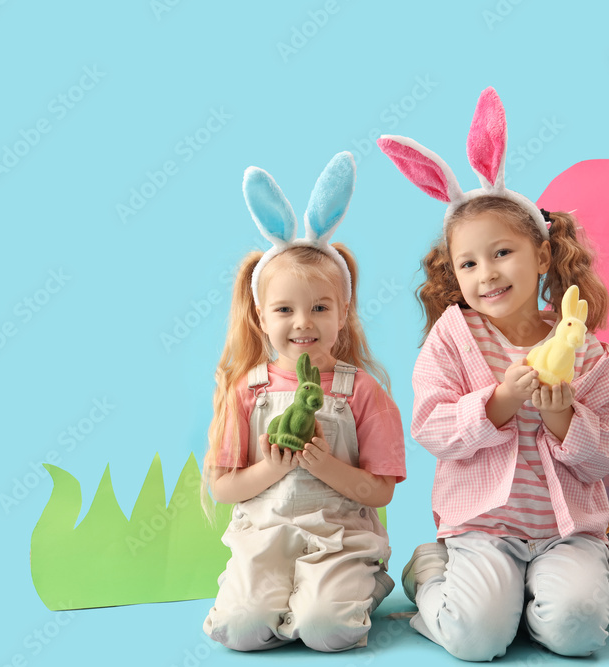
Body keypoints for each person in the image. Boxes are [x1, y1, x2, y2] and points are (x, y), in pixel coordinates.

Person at [378, 88, 609, 661]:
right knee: (475, 639)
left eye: (503, 253)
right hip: (484, 529)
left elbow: (605, 454)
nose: (486, 273)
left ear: (541, 256)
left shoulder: (583, 349)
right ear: (454, 274)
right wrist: (497, 403)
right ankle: (434, 571)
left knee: (579, 630)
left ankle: (530, 607)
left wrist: (564, 417)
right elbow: (431, 427)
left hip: (567, 534)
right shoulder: (454, 338)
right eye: (468, 263)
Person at [200, 153, 406, 653]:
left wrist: (323, 464)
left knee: (326, 631)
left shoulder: (361, 391)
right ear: (261, 315)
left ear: (344, 313)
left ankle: (362, 585)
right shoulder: (245, 390)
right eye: (285, 309)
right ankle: (276, 595)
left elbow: (378, 493)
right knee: (244, 630)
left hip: (340, 539)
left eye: (319, 308)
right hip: (264, 539)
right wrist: (272, 466)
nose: (302, 323)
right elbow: (225, 489)